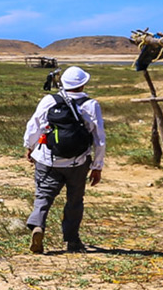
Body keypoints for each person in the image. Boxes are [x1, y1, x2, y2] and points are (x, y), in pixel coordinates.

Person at [22, 65, 106, 253]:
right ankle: (72, 240)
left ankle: (38, 226)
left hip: (48, 159)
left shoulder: (49, 100)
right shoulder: (91, 105)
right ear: (84, 84)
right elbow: (99, 139)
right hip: (78, 162)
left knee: (43, 194)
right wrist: (97, 166)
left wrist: (29, 147)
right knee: (75, 201)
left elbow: (33, 126)